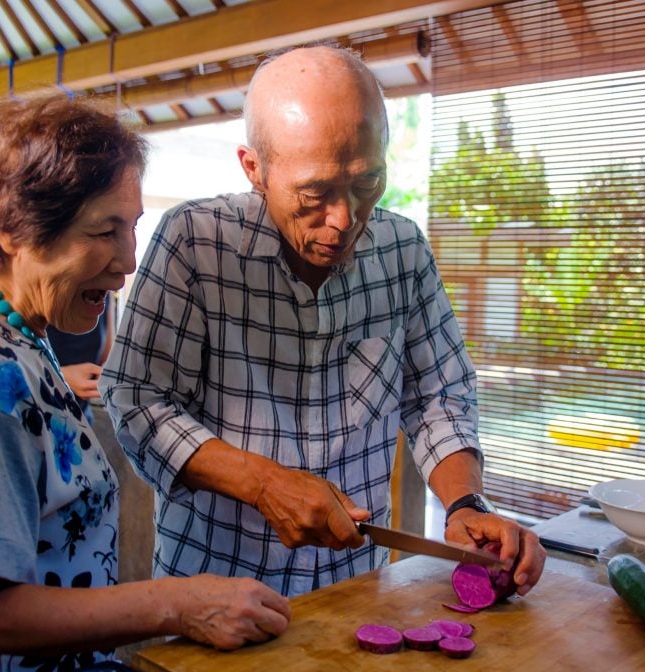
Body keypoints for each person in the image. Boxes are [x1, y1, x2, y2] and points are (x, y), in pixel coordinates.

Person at [0, 93, 290, 672]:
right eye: (103, 230)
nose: (128, 261)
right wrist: (174, 603)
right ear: (13, 227)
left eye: (133, 226)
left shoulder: (16, 336)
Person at [100, 45, 546, 598]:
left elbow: (439, 394)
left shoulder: (402, 251)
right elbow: (137, 400)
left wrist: (463, 503)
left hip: (354, 588)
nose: (345, 219)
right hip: (211, 593)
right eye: (315, 193)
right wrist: (264, 484)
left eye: (366, 184)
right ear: (255, 169)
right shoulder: (194, 244)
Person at [47, 291, 114, 421]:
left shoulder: (104, 293)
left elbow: (106, 353)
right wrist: (60, 376)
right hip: (45, 412)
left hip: (80, 416)